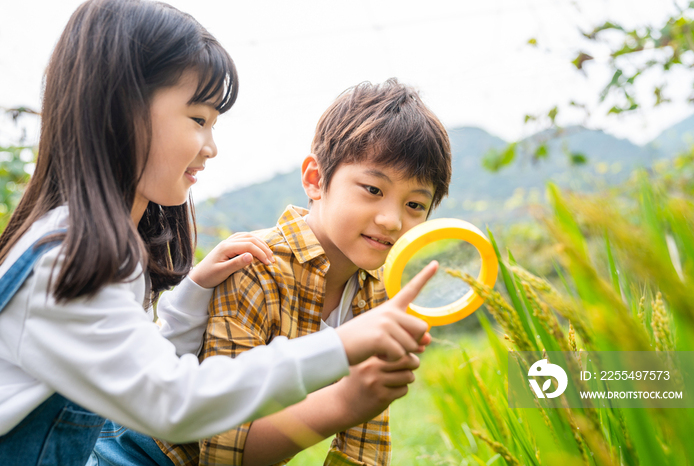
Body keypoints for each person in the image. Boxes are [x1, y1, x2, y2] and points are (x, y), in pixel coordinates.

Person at [0, 2, 437, 465]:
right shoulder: (67, 260)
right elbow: (176, 403)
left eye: (415, 204)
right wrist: (341, 347)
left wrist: (191, 293)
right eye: (198, 119)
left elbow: (135, 365)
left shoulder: (92, 251)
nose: (211, 147)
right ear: (119, 110)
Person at [144, 79, 452, 466]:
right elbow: (221, 453)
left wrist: (359, 403)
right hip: (142, 452)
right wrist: (346, 401)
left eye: (415, 204)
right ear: (315, 180)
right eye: (373, 190)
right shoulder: (257, 269)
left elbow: (365, 443)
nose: (391, 220)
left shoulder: (379, 293)